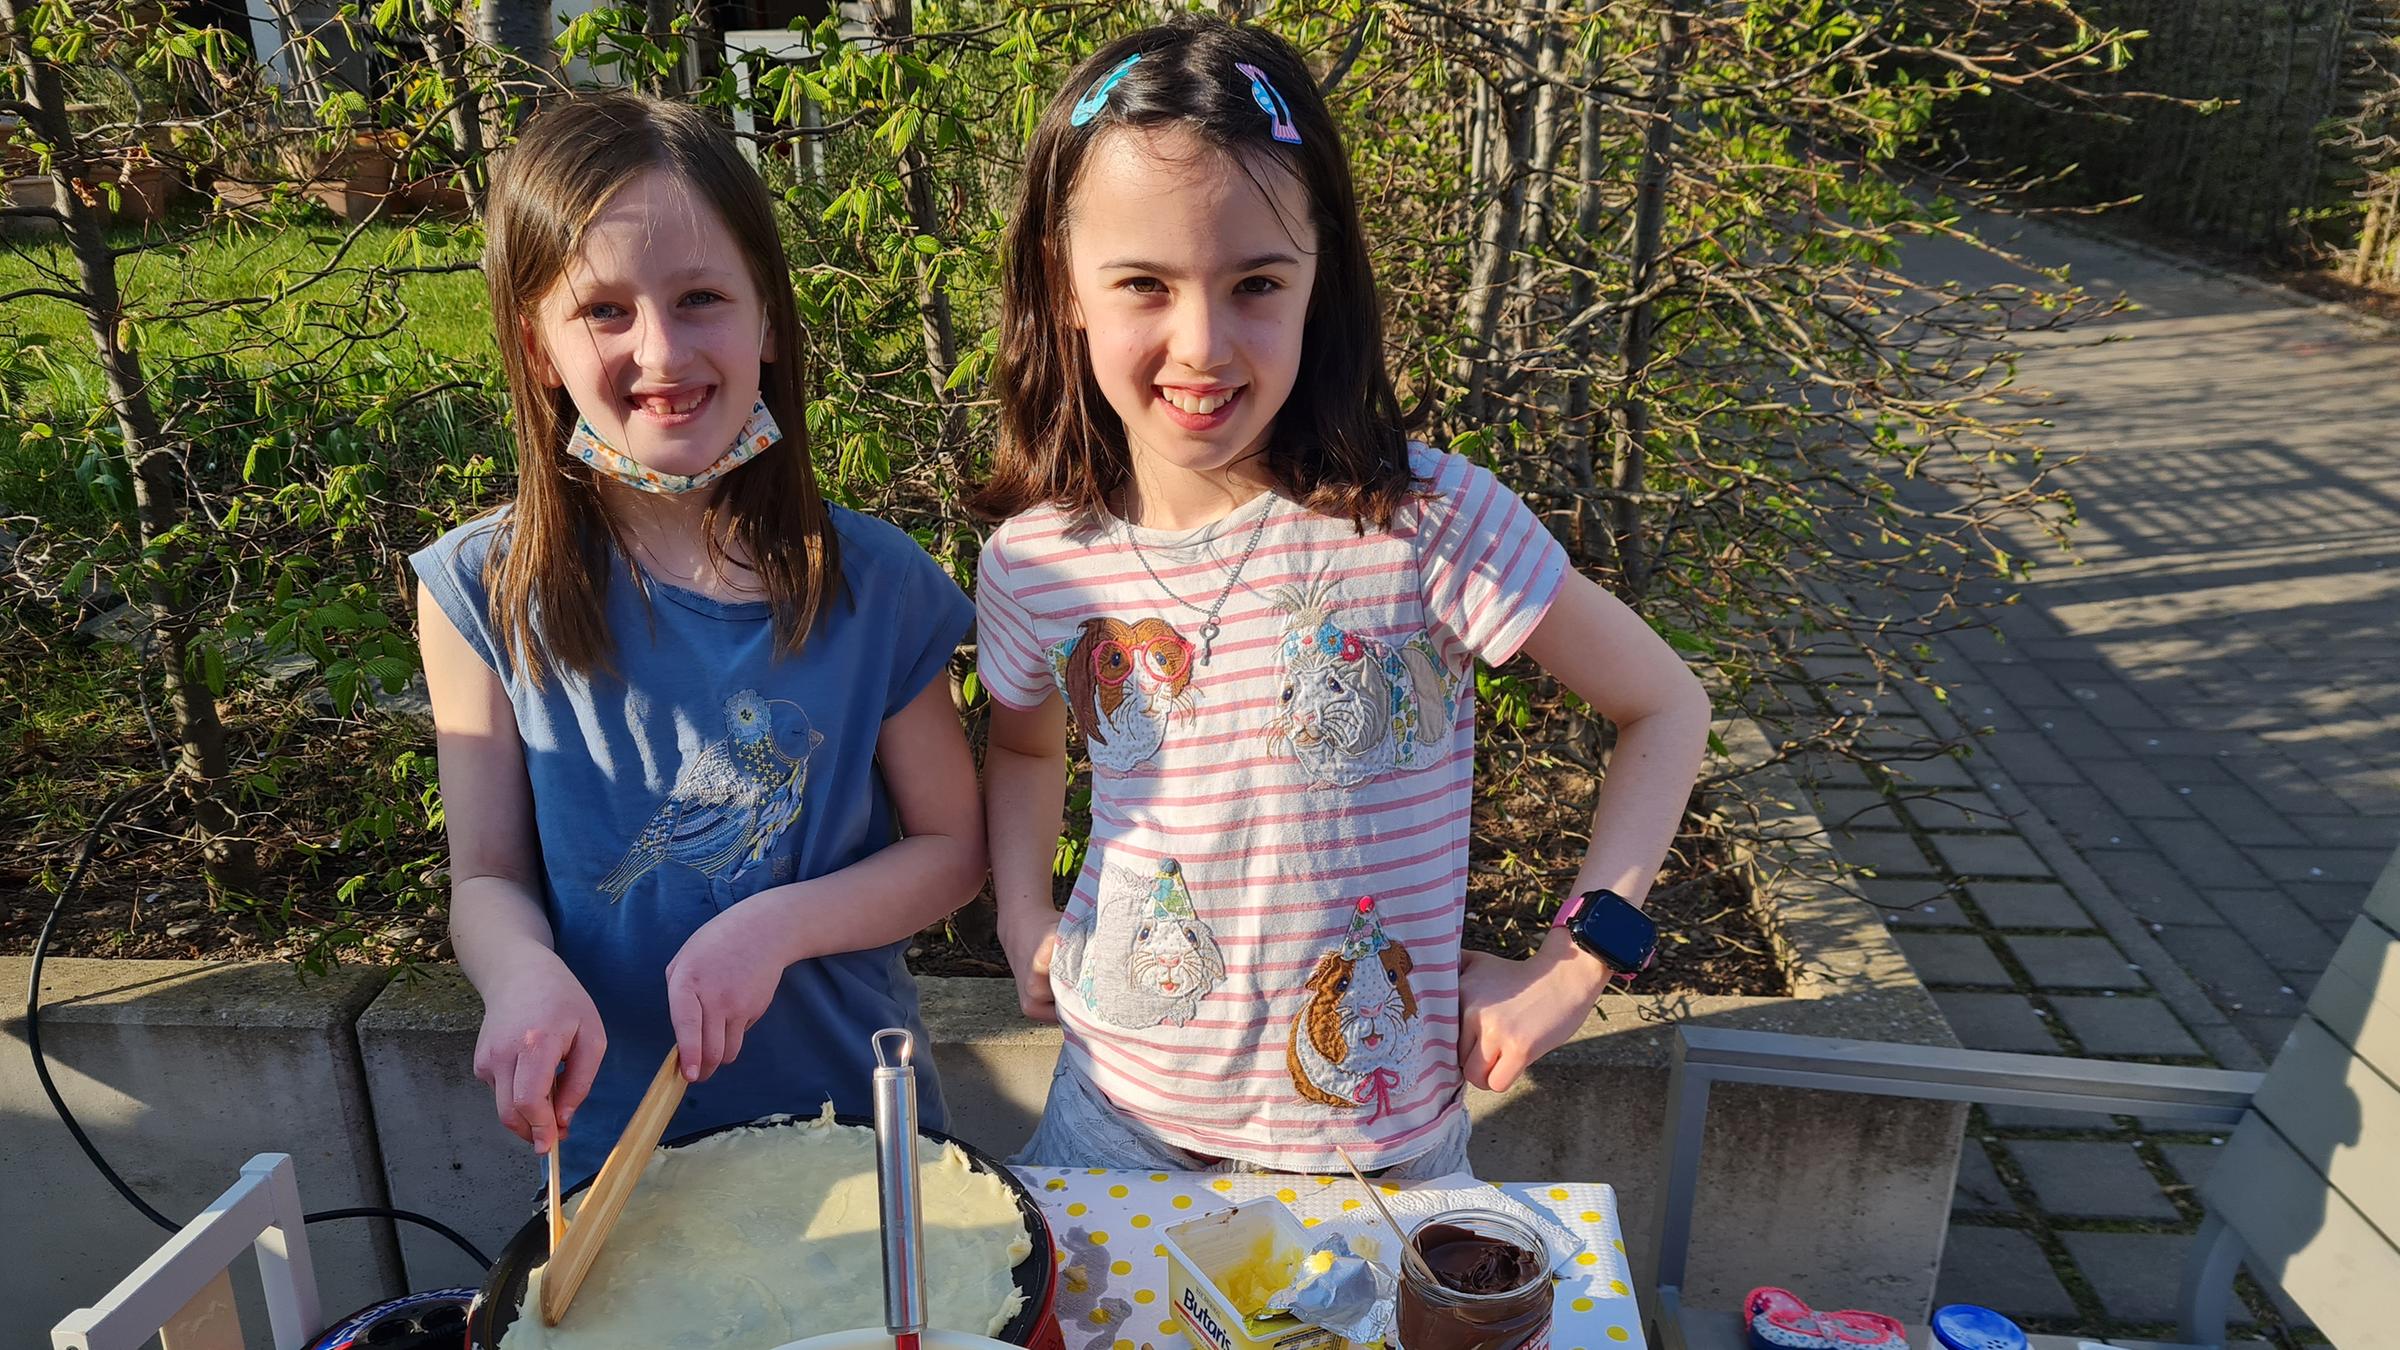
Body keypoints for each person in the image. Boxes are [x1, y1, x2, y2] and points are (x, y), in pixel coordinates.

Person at [972, 19, 1712, 1176]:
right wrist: (1025, 913)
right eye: (1143, 284)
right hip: (1106, 1124)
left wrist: (1577, 965)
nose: (1202, 344)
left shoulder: (1426, 523)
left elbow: (1665, 705)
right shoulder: (1035, 560)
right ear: (1063, 287)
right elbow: (1023, 753)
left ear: (1323, 279)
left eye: (1256, 281)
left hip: (1377, 1148)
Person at [412, 91, 983, 1185]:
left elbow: (951, 851)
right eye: (606, 312)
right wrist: (521, 973)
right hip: (618, 1152)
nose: (663, 351)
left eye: (702, 298)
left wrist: (773, 926)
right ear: (537, 344)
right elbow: (484, 876)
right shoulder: (478, 589)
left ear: (767, 319)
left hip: (858, 1135)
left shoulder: (878, 583)